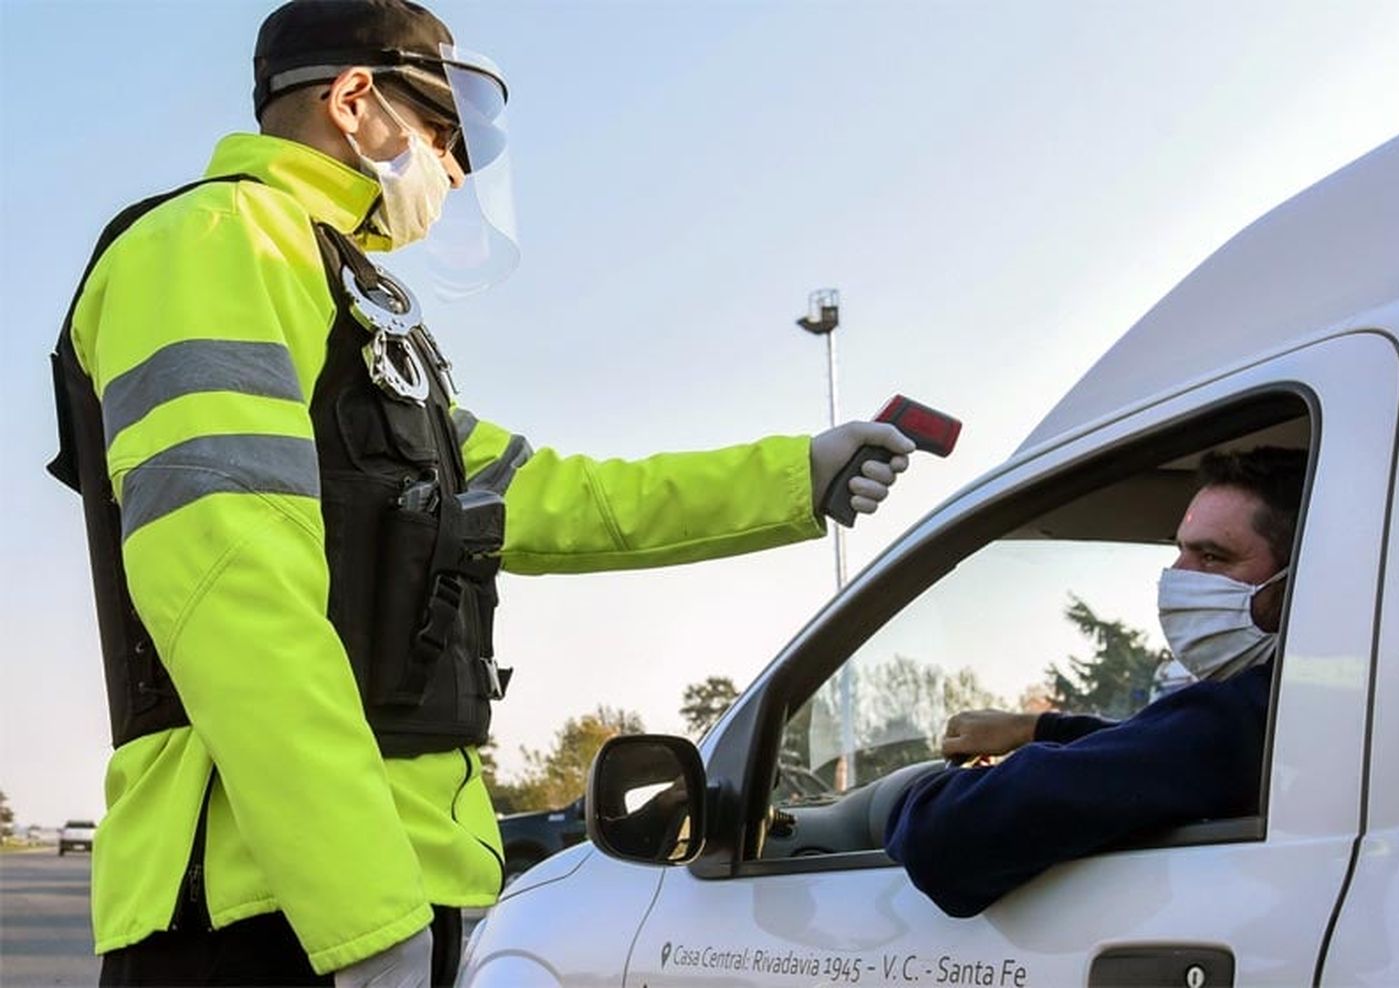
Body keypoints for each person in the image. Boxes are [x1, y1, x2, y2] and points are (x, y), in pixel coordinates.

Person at [48, 2, 919, 984]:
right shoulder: (216, 244)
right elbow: (224, 588)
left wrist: (795, 474)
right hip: (271, 907)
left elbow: (565, 497)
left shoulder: (359, 310)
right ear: (353, 100)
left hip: (398, 883)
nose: (455, 172)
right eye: (444, 135)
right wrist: (363, 914)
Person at [884, 446, 1308, 917]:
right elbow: (1152, 751)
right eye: (1179, 551)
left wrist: (898, 802)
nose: (1177, 578)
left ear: (1295, 583)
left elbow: (943, 840)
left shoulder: (1238, 721)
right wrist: (1040, 729)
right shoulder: (1297, 708)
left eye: (1212, 557)